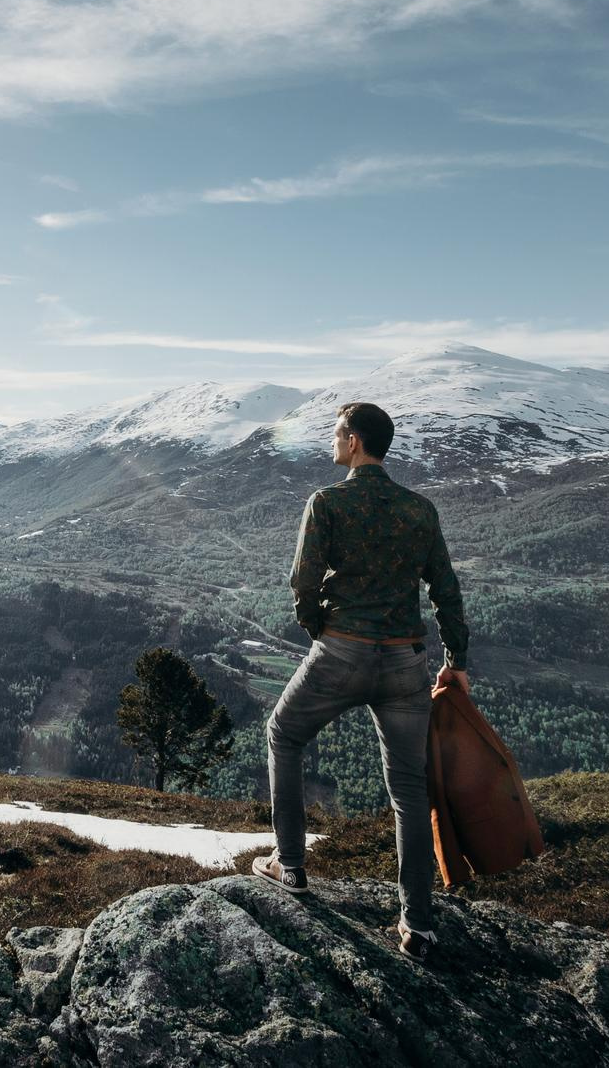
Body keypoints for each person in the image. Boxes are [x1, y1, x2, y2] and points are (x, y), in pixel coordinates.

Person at [252, 401, 470, 962]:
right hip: (405, 664)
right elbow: (445, 590)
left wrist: (316, 626)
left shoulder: (327, 502)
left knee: (284, 735)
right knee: (409, 791)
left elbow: (302, 579)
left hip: (341, 651)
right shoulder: (419, 510)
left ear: (352, 442)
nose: (332, 441)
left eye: (335, 434)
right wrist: (457, 661)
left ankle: (290, 864)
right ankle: (417, 924)